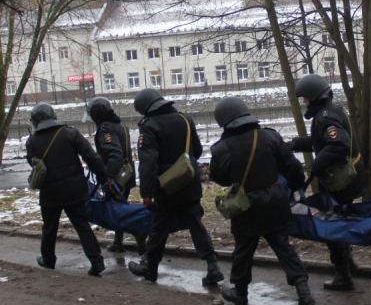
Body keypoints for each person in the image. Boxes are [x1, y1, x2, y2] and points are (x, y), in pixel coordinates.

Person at [209, 97, 316, 305]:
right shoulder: (271, 137)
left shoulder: (222, 149)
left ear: (224, 121)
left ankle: (240, 294)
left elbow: (221, 180)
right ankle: (304, 293)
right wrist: (294, 189)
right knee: (284, 249)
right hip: (276, 203)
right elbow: (293, 169)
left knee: (243, 251)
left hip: (246, 207)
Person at [126, 88, 225, 286]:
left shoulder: (149, 125)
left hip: (167, 186)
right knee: (195, 224)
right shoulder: (185, 119)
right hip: (190, 181)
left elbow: (148, 163)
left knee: (160, 227)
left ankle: (150, 267)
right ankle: (212, 265)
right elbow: (196, 150)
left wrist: (147, 193)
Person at [289, 74, 366, 291]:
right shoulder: (332, 111)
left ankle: (343, 275)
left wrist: (315, 167)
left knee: (332, 225)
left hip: (340, 181)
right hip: (348, 177)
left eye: (305, 98)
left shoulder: (325, 117)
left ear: (313, 97)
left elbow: (338, 144)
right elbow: (321, 142)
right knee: (341, 219)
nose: (304, 102)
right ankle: (349, 263)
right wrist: (295, 144)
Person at [24, 104, 110, 277]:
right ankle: (96, 261)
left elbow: (33, 164)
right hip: (75, 190)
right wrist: (102, 178)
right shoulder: (71, 133)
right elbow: (92, 157)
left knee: (49, 227)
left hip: (49, 193)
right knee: (82, 225)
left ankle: (48, 260)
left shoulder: (32, 141)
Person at [86, 96, 145, 255]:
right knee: (119, 209)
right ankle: (118, 243)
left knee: (117, 211)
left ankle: (138, 233)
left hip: (116, 178)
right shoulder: (120, 125)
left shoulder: (105, 128)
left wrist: (109, 176)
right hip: (126, 175)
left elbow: (115, 153)